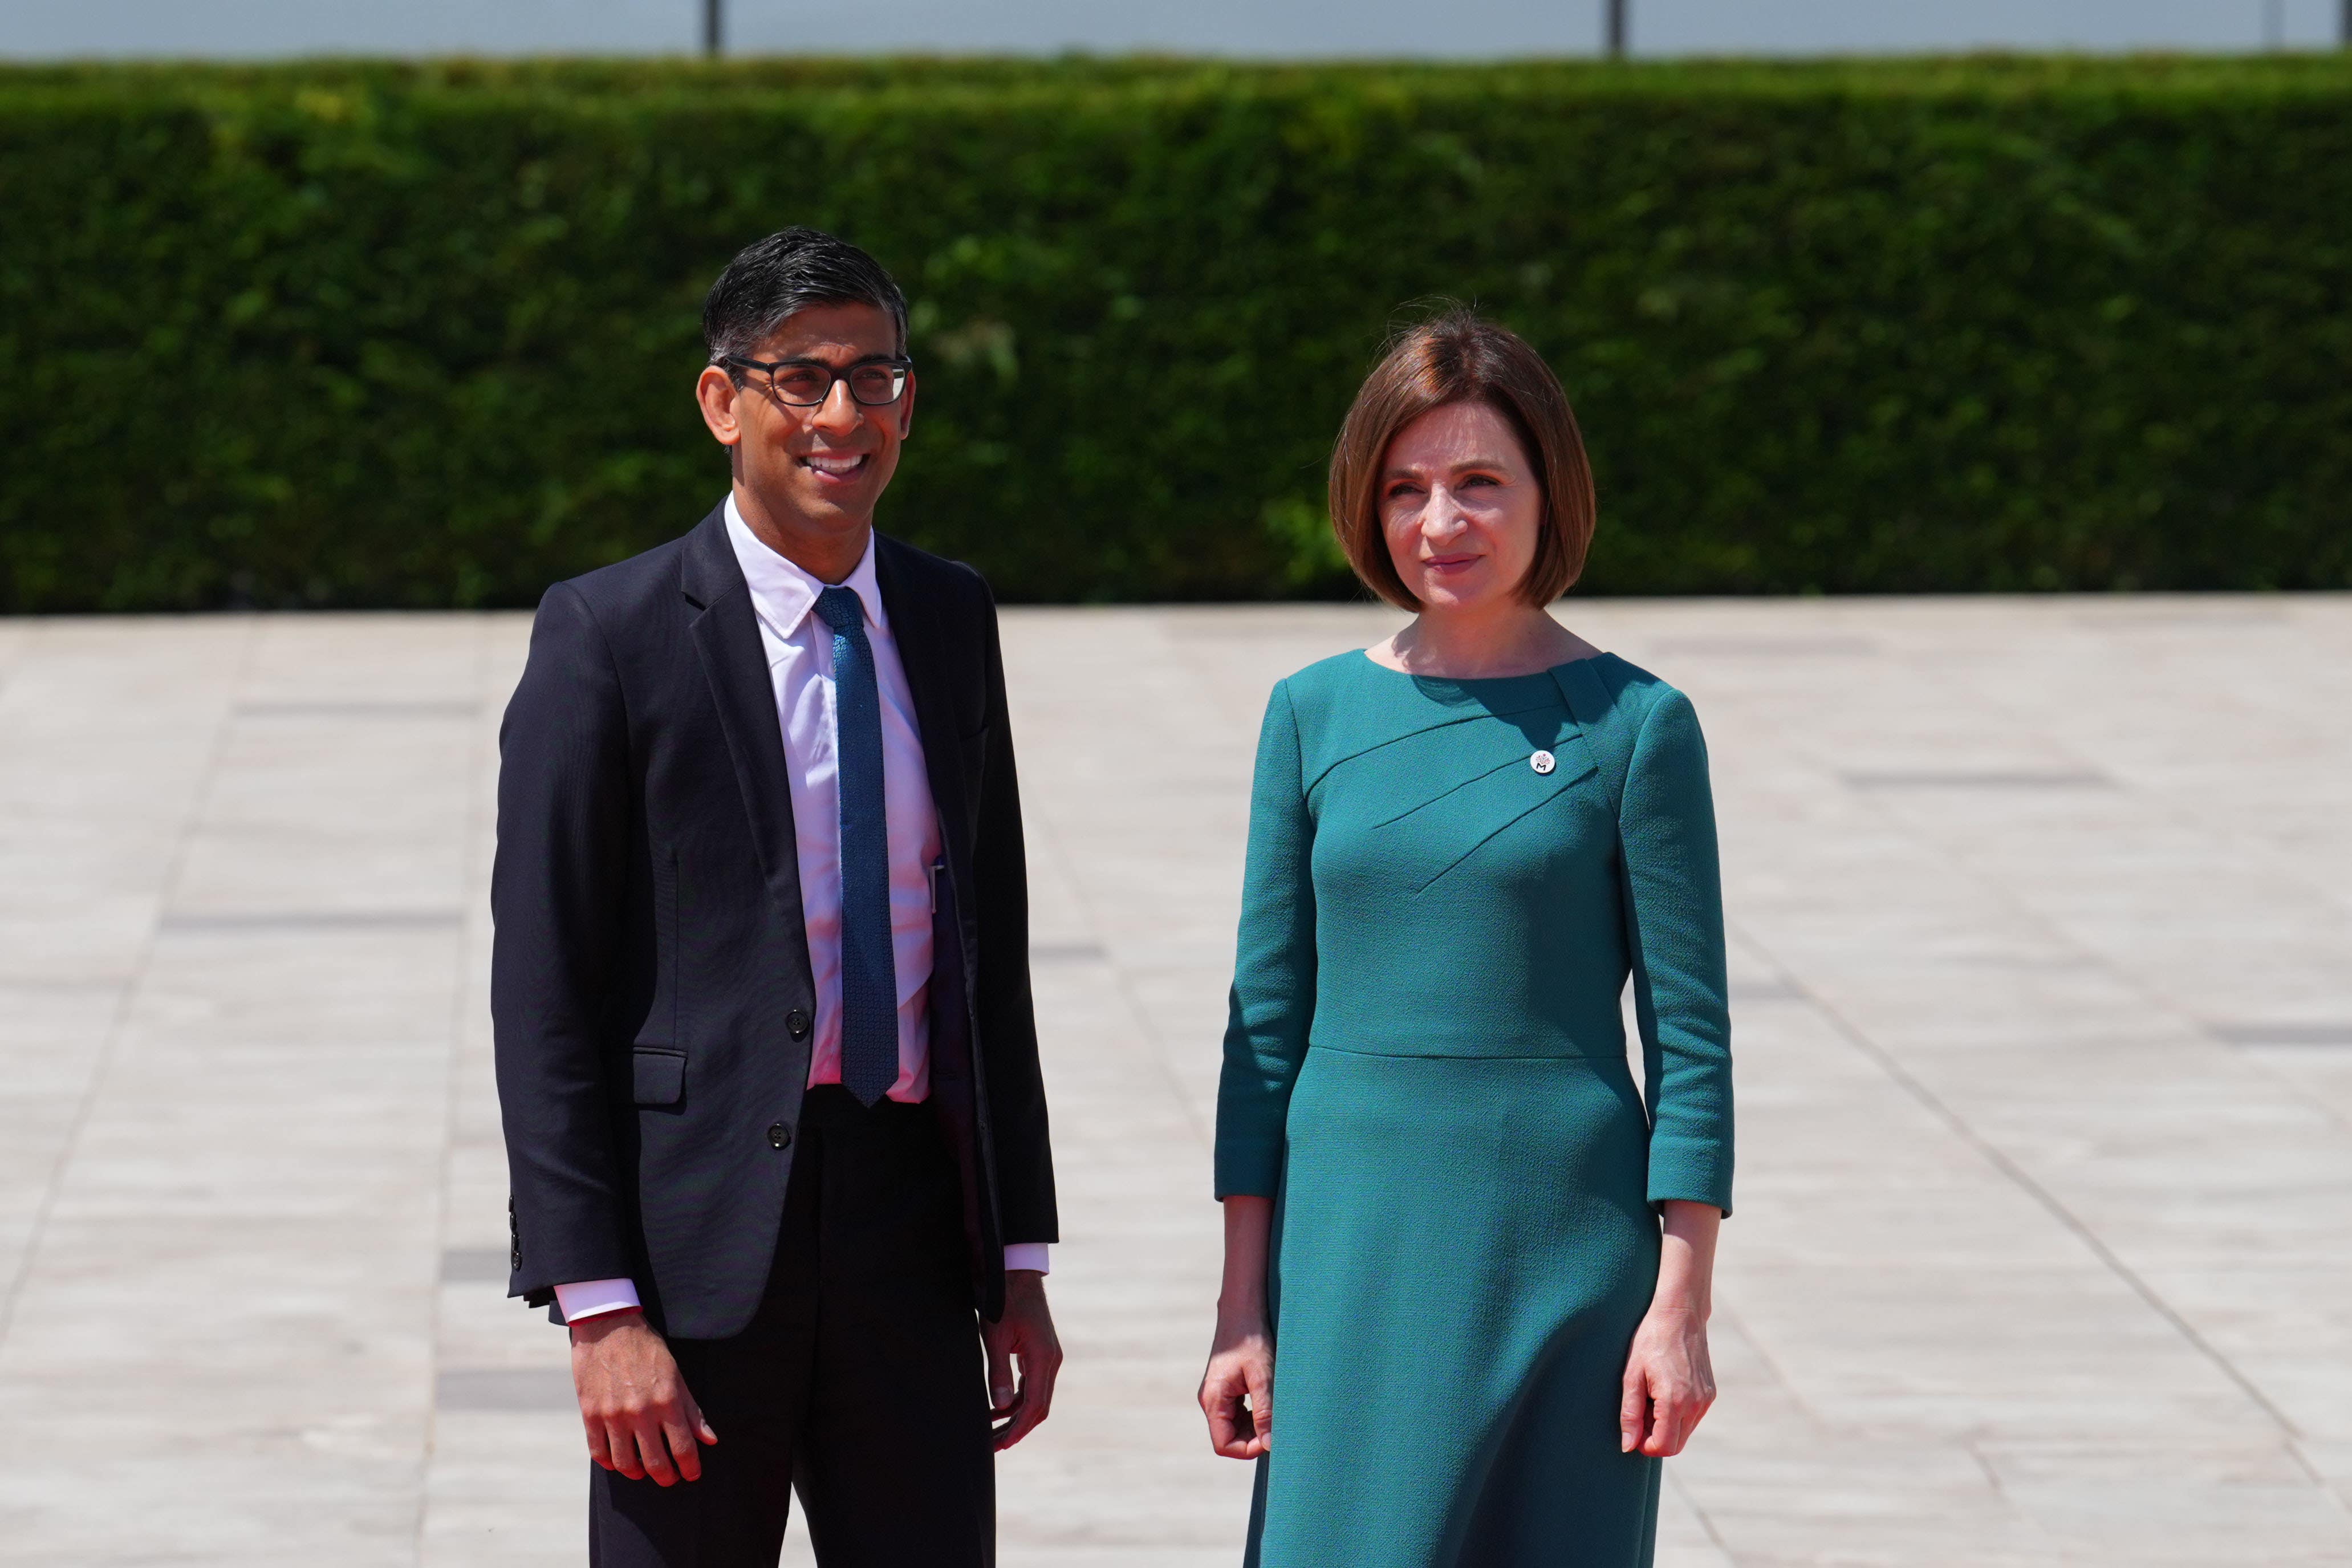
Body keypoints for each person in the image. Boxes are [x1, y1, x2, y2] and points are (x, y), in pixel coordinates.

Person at [494, 226, 1062, 1566]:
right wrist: (598, 1307)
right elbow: (545, 993)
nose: (841, 415)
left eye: (874, 377)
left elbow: (991, 952)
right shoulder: (608, 635)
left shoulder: (949, 614)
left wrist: (1017, 1264)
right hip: (688, 1260)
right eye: (799, 378)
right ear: (720, 401)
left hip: (909, 1237)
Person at [1197, 310, 1733, 1567]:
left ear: (1549, 492)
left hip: (1564, 1259)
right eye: (1405, 489)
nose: (1440, 523)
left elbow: (1689, 1039)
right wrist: (1239, 1307)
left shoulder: (1637, 725)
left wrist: (1680, 1304)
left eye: (1479, 483)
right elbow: (1262, 1031)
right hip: (1350, 1252)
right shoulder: (1309, 714)